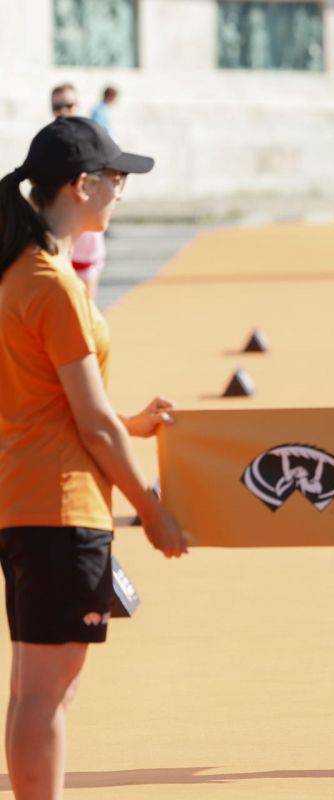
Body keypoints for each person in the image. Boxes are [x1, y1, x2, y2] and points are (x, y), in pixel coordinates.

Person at [0, 116, 187, 799]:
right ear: (81, 186)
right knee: (48, 696)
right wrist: (152, 510)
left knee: (33, 690)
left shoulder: (23, 274)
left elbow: (50, 402)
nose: (120, 192)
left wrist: (131, 423)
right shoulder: (50, 283)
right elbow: (91, 425)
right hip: (63, 507)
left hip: (27, 498)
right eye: (116, 180)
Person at [49, 84, 106, 300]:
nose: (62, 111)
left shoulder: (93, 140)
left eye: (68, 105)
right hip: (57, 240)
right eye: (57, 107)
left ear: (78, 106)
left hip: (85, 240)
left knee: (87, 309)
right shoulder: (46, 144)